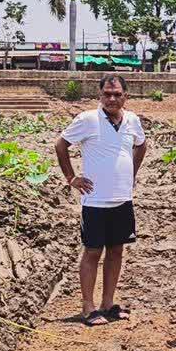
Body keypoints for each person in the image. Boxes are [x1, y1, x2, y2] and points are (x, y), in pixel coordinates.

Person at [55, 74, 147, 326]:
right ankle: (88, 306)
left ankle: (108, 303)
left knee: (116, 250)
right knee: (93, 251)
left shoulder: (132, 121)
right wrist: (71, 178)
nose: (112, 98)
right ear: (100, 95)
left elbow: (141, 145)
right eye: (107, 94)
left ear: (125, 96)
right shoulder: (87, 120)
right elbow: (61, 145)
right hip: (95, 200)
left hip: (122, 198)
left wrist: (131, 173)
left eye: (117, 94)